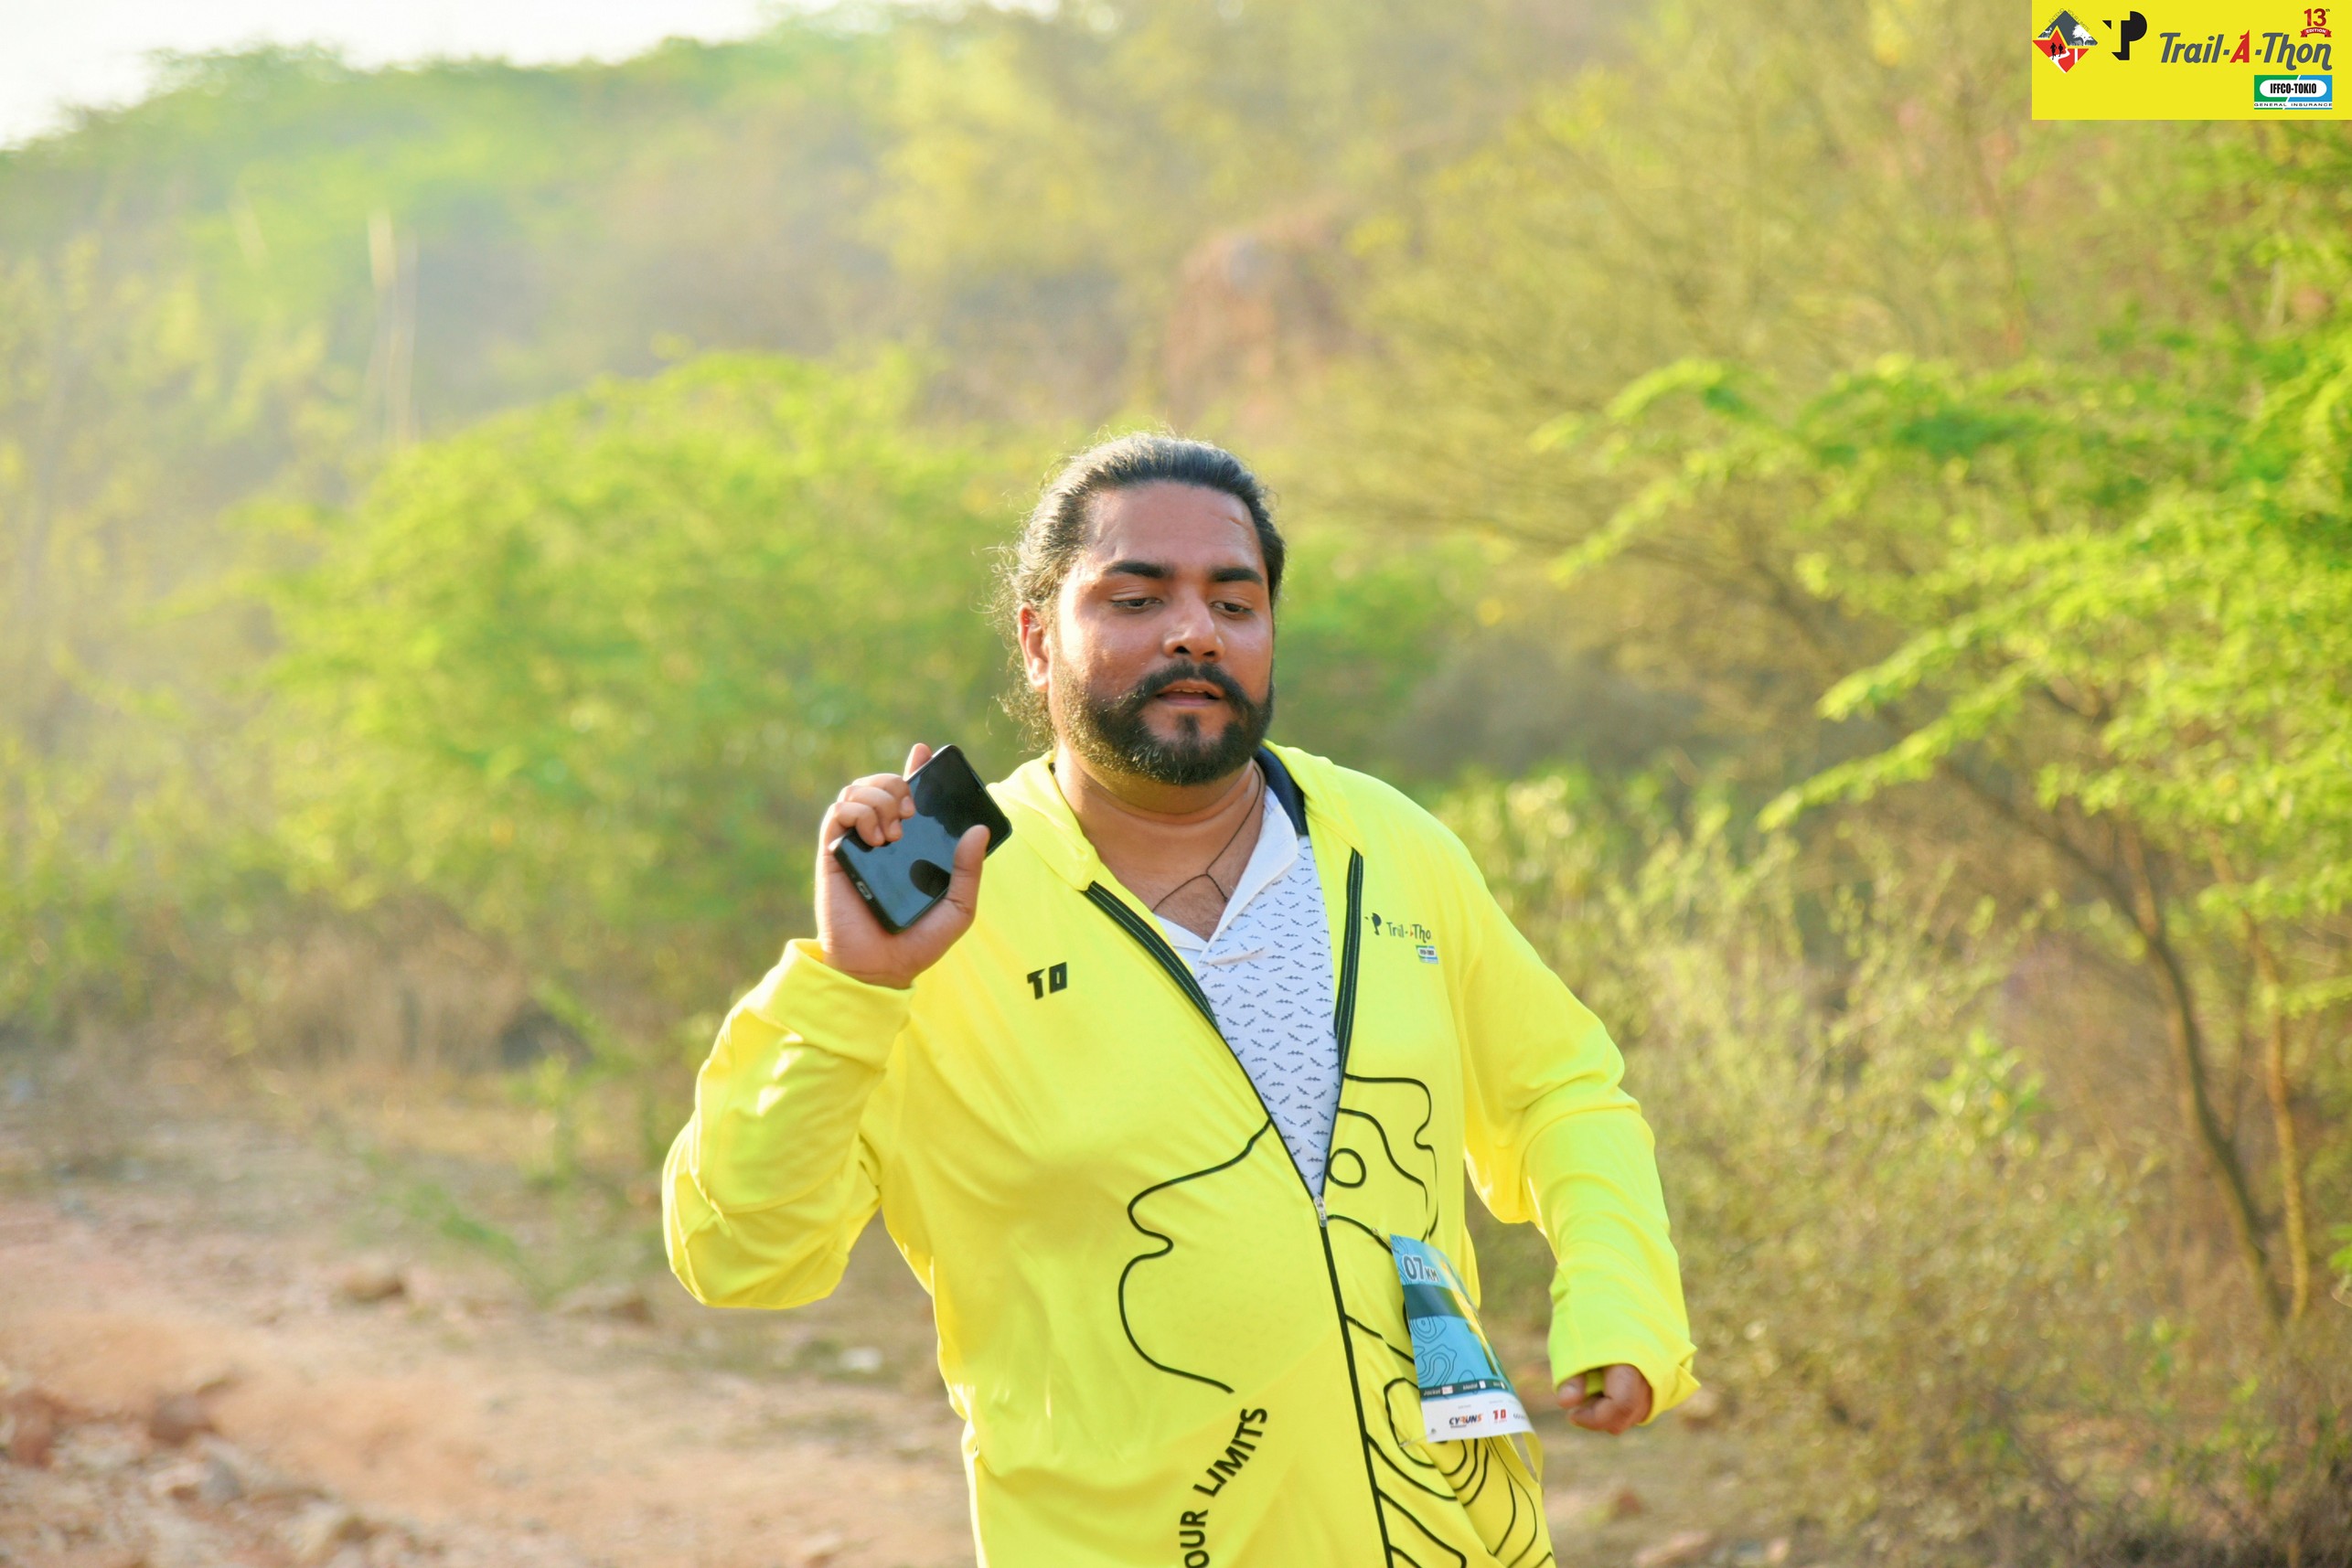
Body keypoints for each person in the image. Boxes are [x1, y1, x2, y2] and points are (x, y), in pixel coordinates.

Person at [664, 434, 1698, 1565]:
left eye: (1233, 602)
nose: (1194, 631)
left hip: (1451, 1533)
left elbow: (1558, 1090)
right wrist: (849, 986)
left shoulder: (1387, 842)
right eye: (1136, 596)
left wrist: (1620, 1300)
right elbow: (741, 1249)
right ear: (1037, 638)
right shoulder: (945, 915)